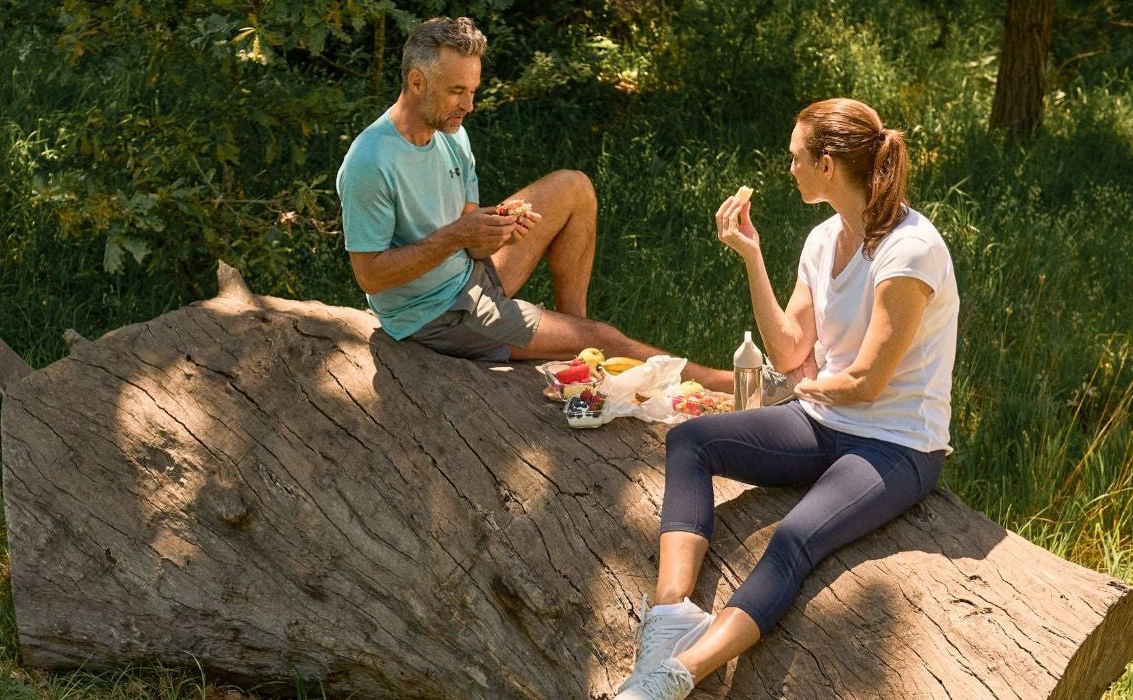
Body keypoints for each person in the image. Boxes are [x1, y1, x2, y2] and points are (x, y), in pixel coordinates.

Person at [613, 98, 959, 699]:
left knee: (795, 538)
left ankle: (674, 679)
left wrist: (805, 386)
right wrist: (752, 257)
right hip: (824, 422)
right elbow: (788, 347)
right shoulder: (824, 238)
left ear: (828, 165)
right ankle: (670, 616)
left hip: (897, 444)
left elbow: (867, 383)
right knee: (690, 441)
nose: (789, 166)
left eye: (796, 156)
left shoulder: (910, 250)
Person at [335, 17, 731, 391]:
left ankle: (575, 341)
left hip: (468, 272)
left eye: (472, 91)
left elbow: (472, 242)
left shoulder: (452, 134)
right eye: (456, 91)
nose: (468, 105)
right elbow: (369, 276)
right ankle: (729, 385)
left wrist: (495, 232)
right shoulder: (370, 163)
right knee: (608, 339)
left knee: (573, 187)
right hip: (436, 313)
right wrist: (457, 237)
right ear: (417, 82)